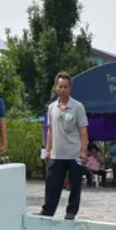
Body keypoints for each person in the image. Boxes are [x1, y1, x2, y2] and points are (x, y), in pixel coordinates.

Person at [40, 72, 88, 219]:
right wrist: (47, 150)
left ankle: (71, 211)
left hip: (74, 153)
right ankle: (48, 210)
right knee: (52, 183)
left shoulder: (78, 107)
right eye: (60, 86)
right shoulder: (51, 108)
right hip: (56, 153)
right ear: (55, 87)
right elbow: (50, 130)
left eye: (65, 87)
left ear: (70, 88)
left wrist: (83, 151)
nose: (62, 89)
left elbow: (83, 130)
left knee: (75, 184)